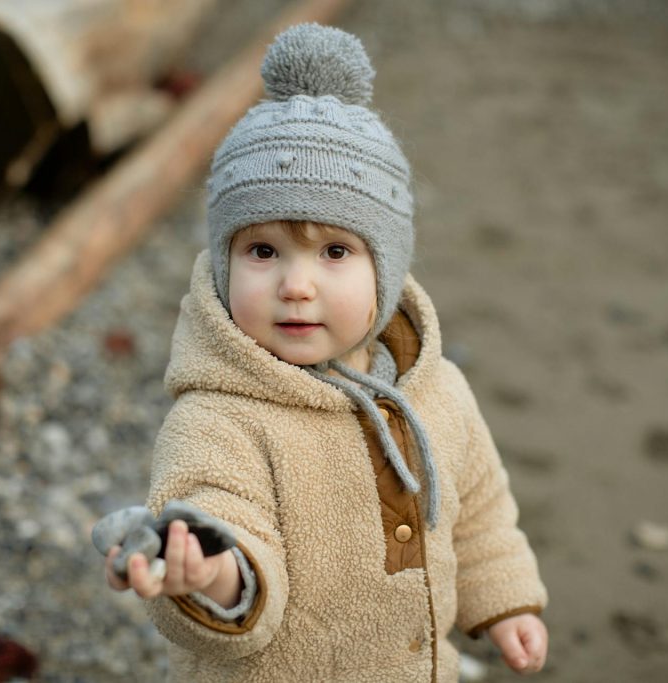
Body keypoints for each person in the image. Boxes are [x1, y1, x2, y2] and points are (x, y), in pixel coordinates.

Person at [103, 22, 548, 682]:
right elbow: (223, 520)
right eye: (262, 251)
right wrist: (213, 574)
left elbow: (480, 508)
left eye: (335, 251)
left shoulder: (436, 389)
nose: (297, 284)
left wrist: (506, 601)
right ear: (223, 264)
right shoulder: (217, 419)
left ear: (387, 268)